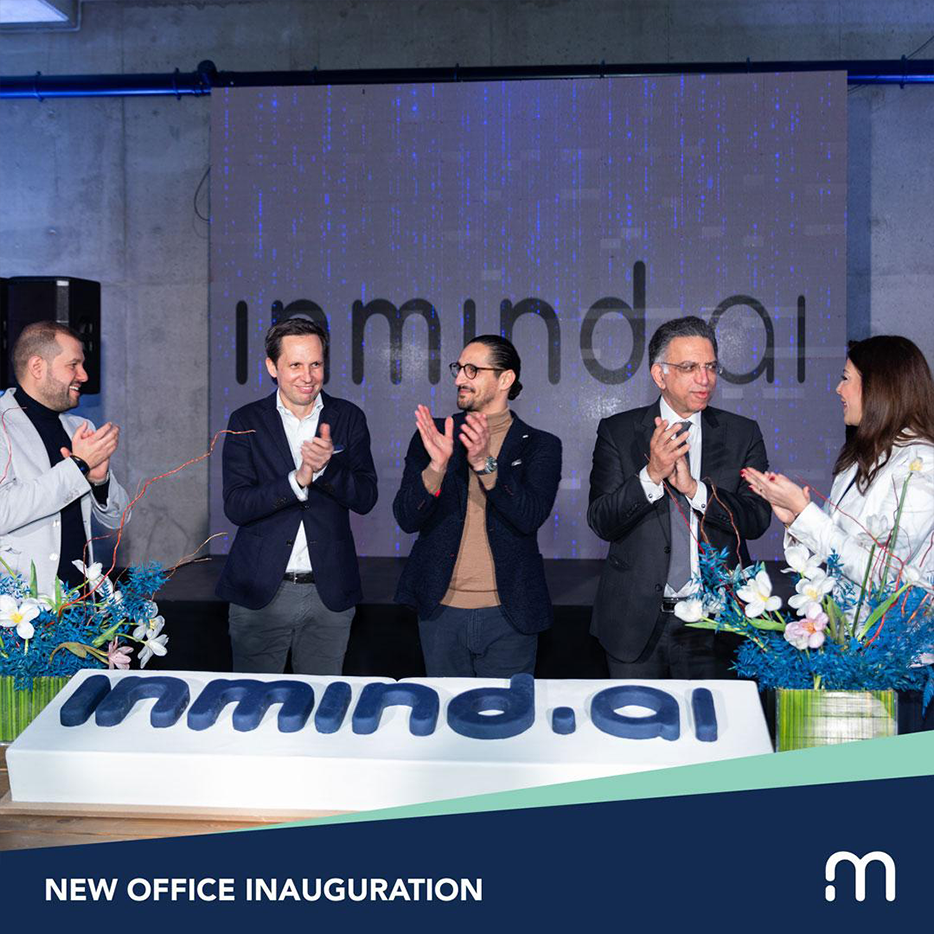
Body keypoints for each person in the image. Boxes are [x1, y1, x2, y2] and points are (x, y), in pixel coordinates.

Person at [588, 315, 772, 678]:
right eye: (689, 368)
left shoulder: (742, 433)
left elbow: (757, 519)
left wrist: (695, 490)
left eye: (711, 367)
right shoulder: (618, 431)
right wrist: (651, 475)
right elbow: (601, 520)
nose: (704, 379)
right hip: (634, 624)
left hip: (716, 625)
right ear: (660, 375)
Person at [215, 318, 378, 674]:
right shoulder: (245, 420)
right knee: (254, 700)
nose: (308, 376)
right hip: (260, 592)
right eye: (296, 365)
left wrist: (325, 470)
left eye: (316, 364)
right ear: (272, 367)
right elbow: (237, 506)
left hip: (329, 594)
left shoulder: (348, 417)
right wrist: (297, 480)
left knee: (321, 700)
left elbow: (366, 497)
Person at [393, 335, 562, 677]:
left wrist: (486, 464)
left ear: (505, 379)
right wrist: (437, 466)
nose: (459, 378)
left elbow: (529, 517)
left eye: (472, 370)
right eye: (458, 368)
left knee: (506, 711)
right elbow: (406, 517)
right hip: (440, 611)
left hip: (509, 614)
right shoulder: (435, 435)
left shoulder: (539, 445)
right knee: (445, 709)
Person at [744, 335, 934, 585]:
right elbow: (834, 554)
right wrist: (796, 518)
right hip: (842, 611)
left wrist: (805, 513)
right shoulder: (859, 458)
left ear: (878, 387)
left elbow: (883, 574)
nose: (838, 389)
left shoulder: (923, 464)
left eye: (846, 378)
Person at [0, 321, 129, 595]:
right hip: (20, 605)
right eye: (73, 365)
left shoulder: (79, 428)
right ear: (37, 367)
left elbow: (118, 520)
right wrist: (78, 465)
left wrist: (99, 481)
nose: (84, 375)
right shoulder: (2, 425)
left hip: (81, 601)